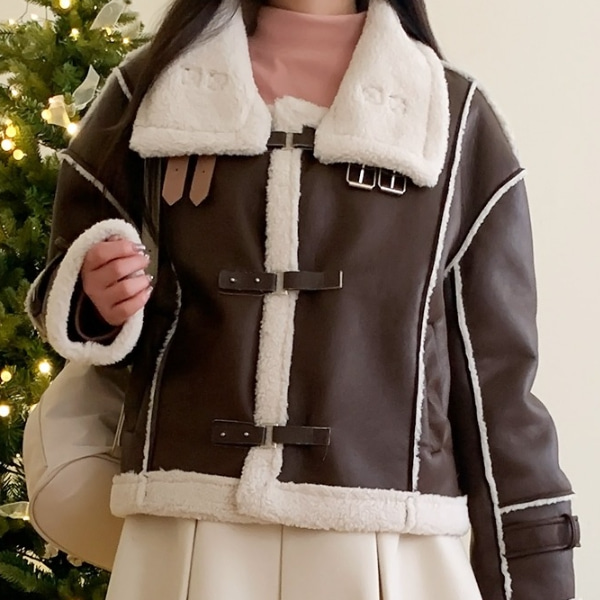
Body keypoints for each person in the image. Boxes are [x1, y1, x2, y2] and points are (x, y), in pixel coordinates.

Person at [26, 0, 580, 598]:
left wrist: (534, 575)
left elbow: (497, 381)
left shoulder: (452, 114)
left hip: (389, 546)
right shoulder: (152, 88)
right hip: (188, 529)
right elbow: (71, 264)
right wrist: (94, 298)